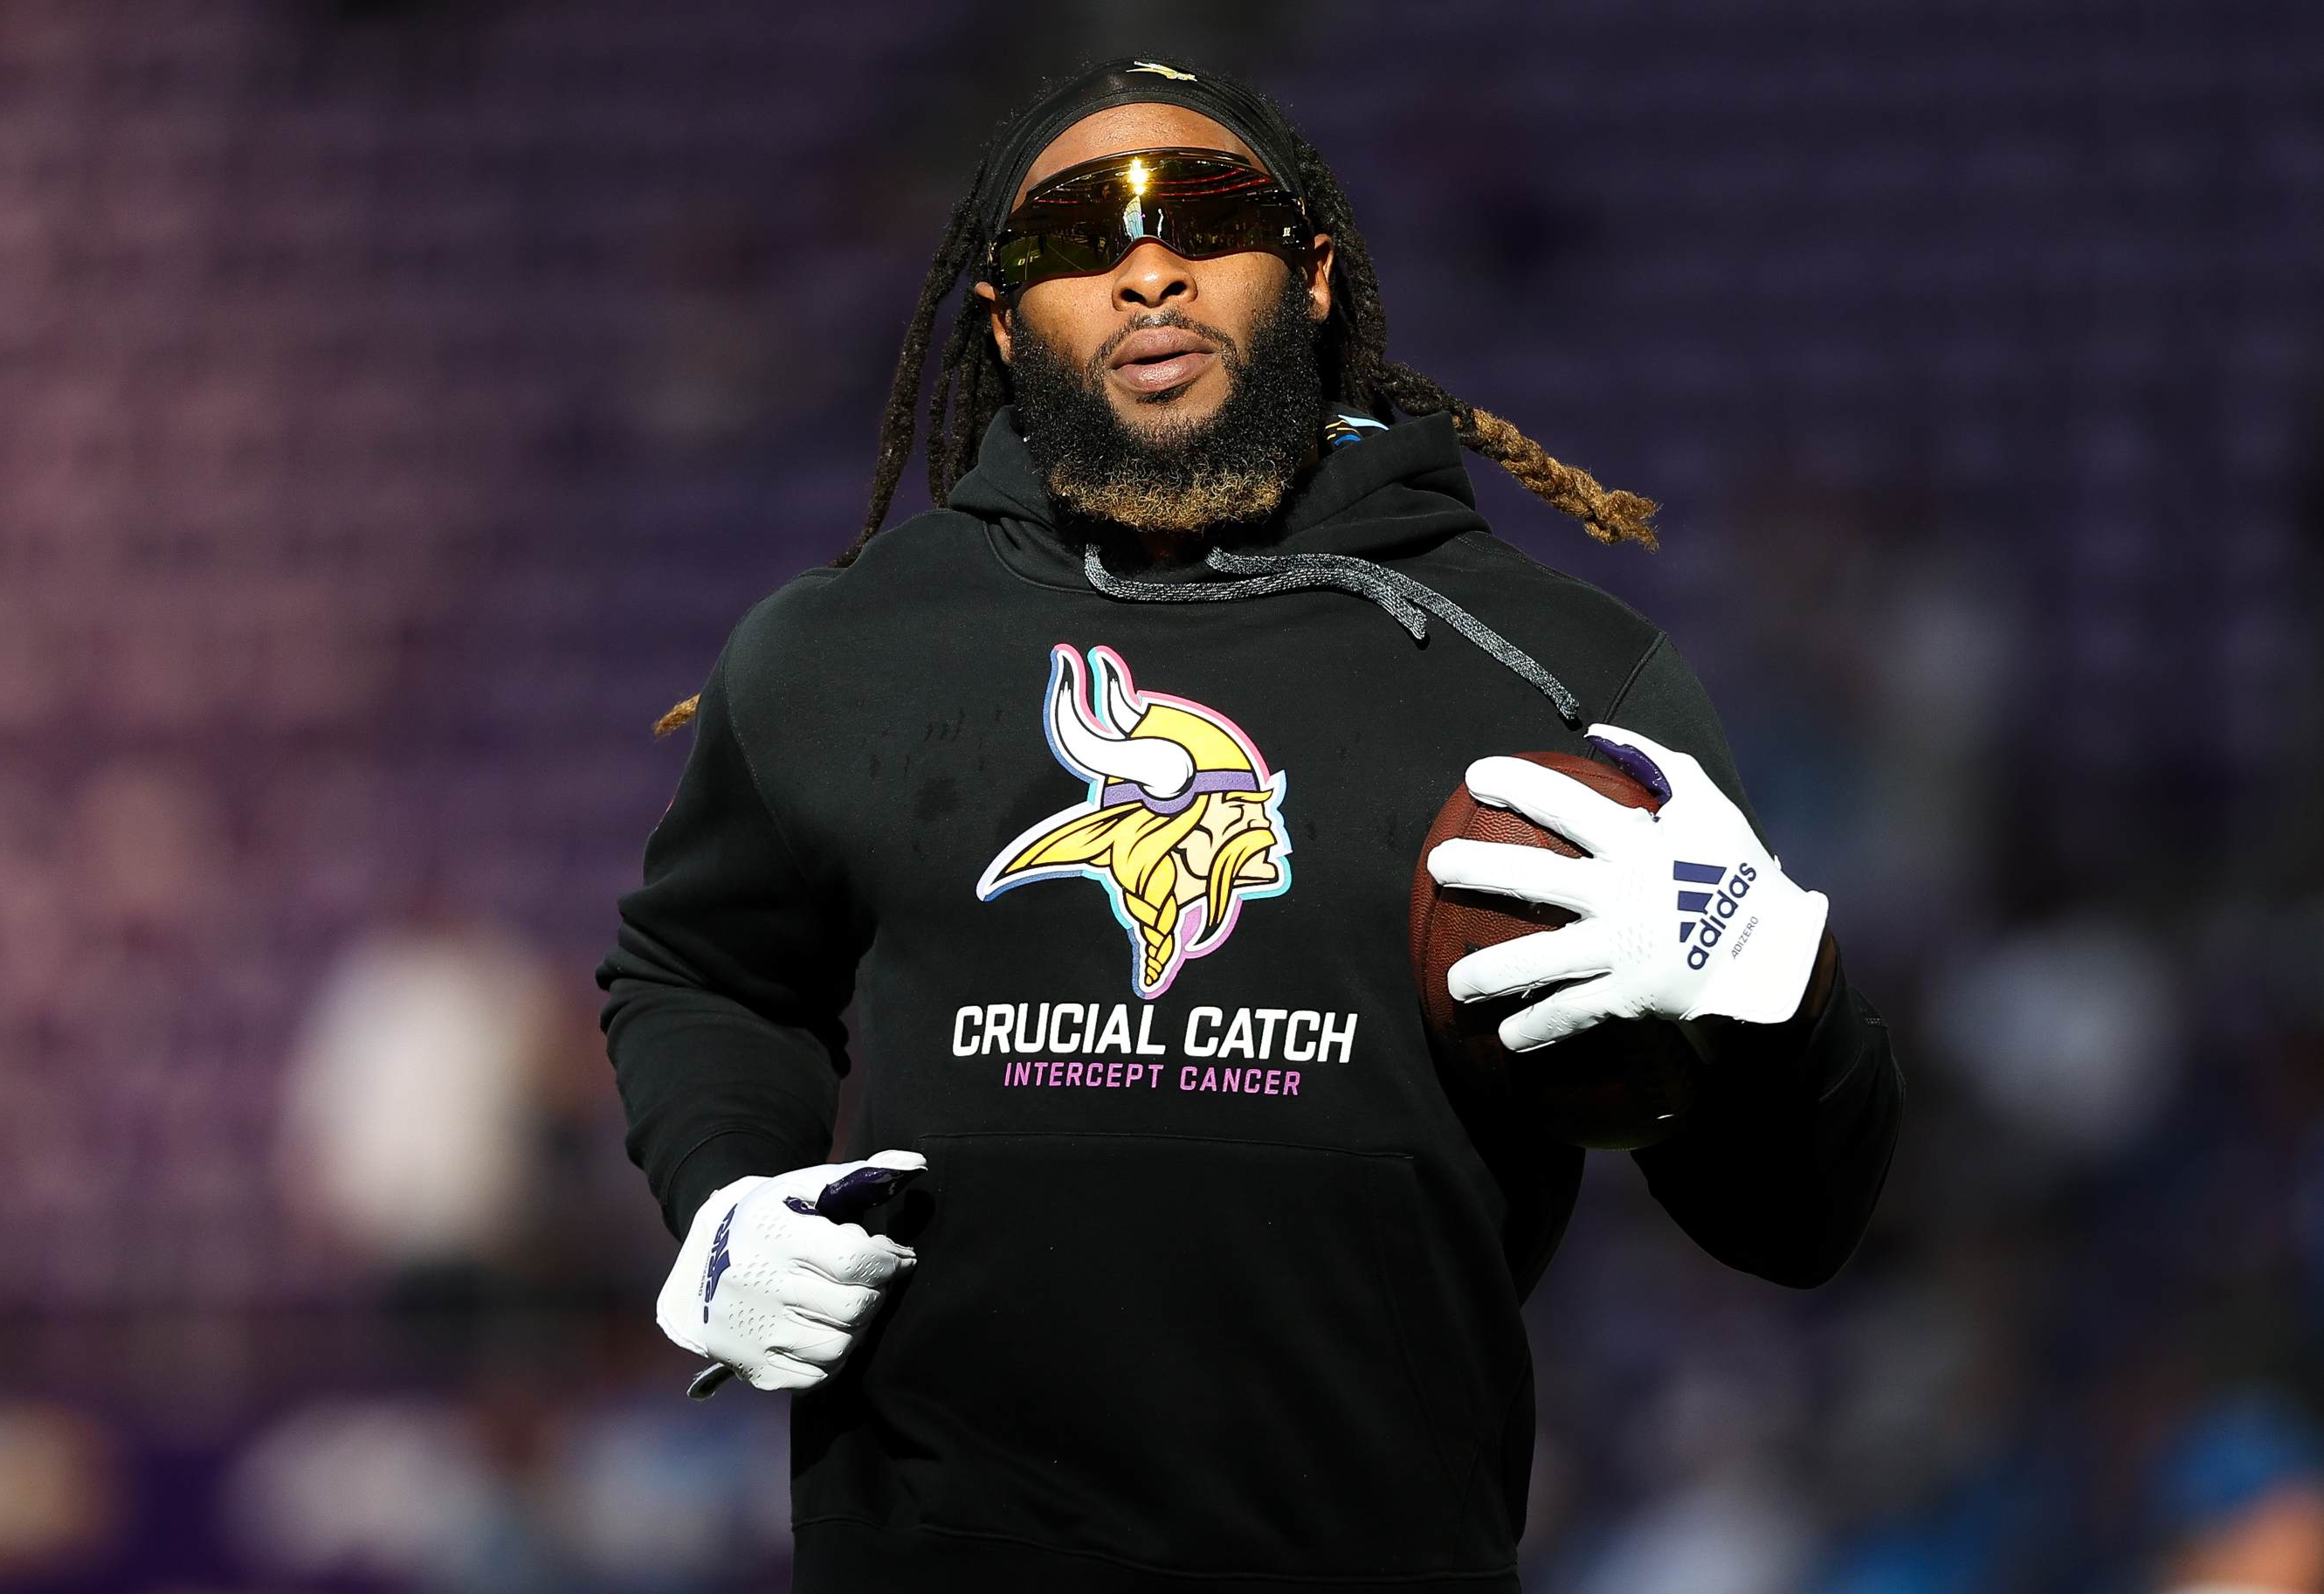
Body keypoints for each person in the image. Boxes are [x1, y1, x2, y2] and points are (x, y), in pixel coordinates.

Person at [598, 58, 1902, 1593]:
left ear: (1315, 272)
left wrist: (1772, 994)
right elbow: (702, 972)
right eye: (1072, 239)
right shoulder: (834, 652)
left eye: (1209, 215)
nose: (1147, 264)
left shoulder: (1558, 673)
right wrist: (725, 1195)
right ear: (1005, 328)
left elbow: (1796, 1220)